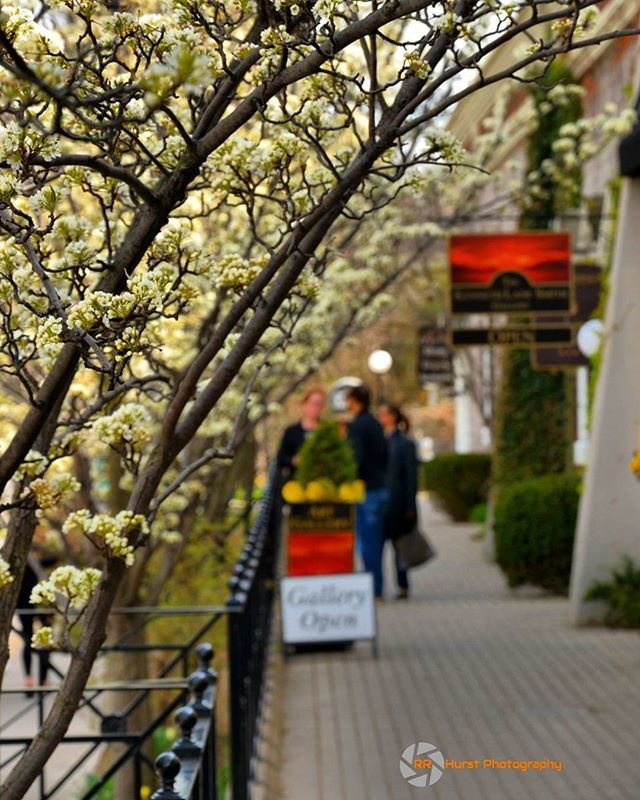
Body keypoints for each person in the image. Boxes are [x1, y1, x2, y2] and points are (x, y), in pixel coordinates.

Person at [346, 385, 388, 598]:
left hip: (367, 491)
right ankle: (377, 586)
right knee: (377, 543)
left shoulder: (358, 426)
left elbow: (356, 458)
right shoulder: (375, 424)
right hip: (380, 488)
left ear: (354, 400)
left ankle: (372, 589)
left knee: (367, 543)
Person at [378, 404, 419, 600]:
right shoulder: (377, 441)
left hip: (398, 504)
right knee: (376, 547)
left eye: (384, 414)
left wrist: (410, 506)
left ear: (393, 417)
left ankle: (403, 586)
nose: (381, 417)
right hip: (379, 503)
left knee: (399, 548)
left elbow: (411, 477)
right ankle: (377, 588)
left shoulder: (405, 444)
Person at [17, 556, 52, 691]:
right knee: (33, 641)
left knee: (37, 641)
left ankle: (33, 679)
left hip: (35, 606)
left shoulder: (27, 564)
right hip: (35, 606)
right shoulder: (34, 563)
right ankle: (35, 679)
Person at [276, 388, 326, 479]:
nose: (316, 407)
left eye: (319, 404)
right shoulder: (292, 431)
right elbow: (281, 459)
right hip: (296, 483)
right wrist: (293, 460)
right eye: (313, 403)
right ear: (304, 404)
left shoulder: (327, 431)